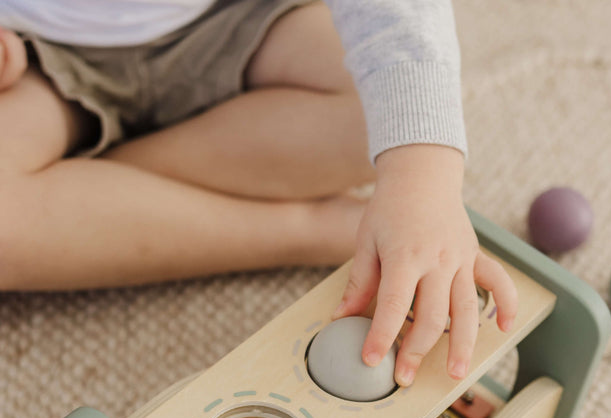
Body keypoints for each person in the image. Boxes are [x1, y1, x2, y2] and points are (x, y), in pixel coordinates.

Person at [0, 0, 517, 387]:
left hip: (234, 17)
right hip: (33, 49)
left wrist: (423, 174)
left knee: (390, 113)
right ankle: (311, 229)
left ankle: (76, 199)